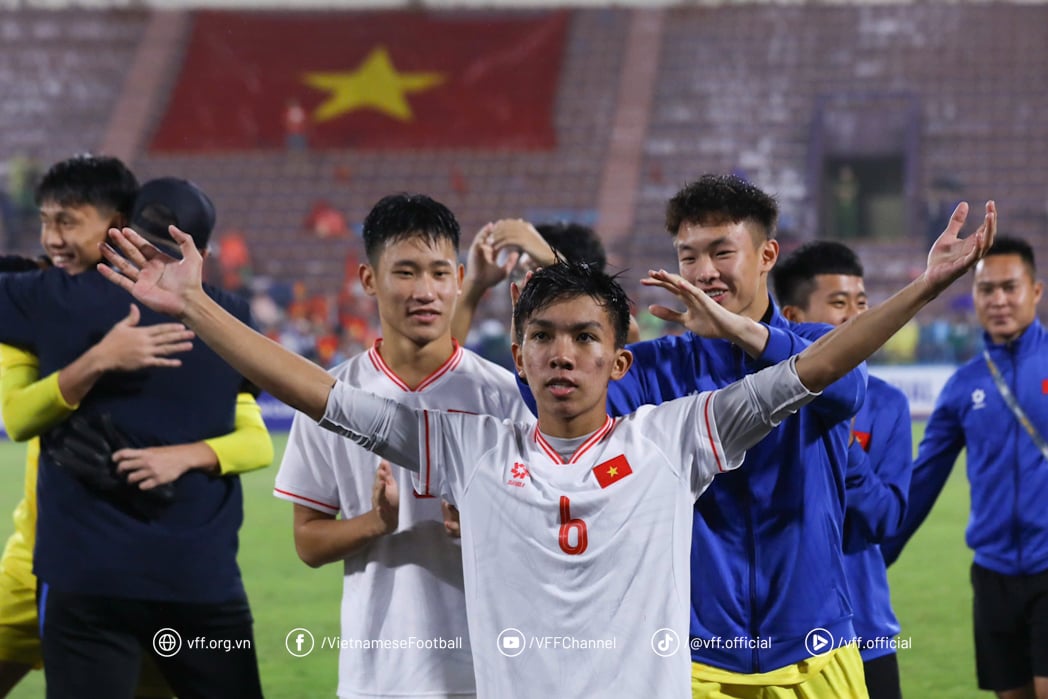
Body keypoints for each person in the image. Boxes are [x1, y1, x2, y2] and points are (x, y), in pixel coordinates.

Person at [98, 194, 993, 697]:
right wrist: (198, 306)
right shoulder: (472, 448)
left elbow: (812, 371)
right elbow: (321, 395)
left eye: (585, 336)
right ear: (516, 354)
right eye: (545, 337)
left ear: (618, 354)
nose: (565, 352)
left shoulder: (675, 437)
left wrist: (923, 289)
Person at [0, 159, 271, 699]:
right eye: (47, 222)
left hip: (81, 575)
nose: (54, 239)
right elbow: (257, 430)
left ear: (121, 225)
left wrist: (188, 452)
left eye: (69, 222)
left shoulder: (48, 299)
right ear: (204, 254)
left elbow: (18, 420)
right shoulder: (235, 321)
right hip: (199, 581)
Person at [273, 193, 532, 698]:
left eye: (439, 273)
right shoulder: (332, 397)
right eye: (405, 272)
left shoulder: (504, 397)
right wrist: (378, 524)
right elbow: (308, 543)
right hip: (378, 679)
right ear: (369, 280)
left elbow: (544, 531)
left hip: (489, 677)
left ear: (459, 280)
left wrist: (487, 524)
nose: (425, 291)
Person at [882, 236, 1048, 699]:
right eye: (986, 290)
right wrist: (874, 558)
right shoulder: (962, 386)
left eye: (1009, 288)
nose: (998, 300)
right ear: (973, 297)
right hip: (992, 573)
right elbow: (922, 480)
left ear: (1035, 291)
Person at [772, 240, 913, 699]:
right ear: (792, 318)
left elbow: (886, 519)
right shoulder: (759, 406)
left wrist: (843, 441)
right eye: (838, 304)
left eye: (862, 303)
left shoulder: (889, 404)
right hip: (775, 639)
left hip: (864, 631)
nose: (857, 317)